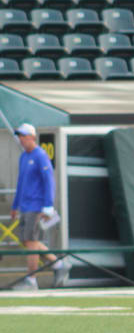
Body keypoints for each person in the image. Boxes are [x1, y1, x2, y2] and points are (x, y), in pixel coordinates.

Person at [10, 123, 70, 291]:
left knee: (31, 242)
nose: (21, 139)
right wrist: (15, 205)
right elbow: (21, 182)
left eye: (23, 136)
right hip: (25, 206)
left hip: (36, 206)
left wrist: (48, 207)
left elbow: (49, 181)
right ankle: (58, 264)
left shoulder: (41, 155)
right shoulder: (23, 157)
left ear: (32, 137)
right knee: (28, 241)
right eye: (20, 136)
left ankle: (31, 280)